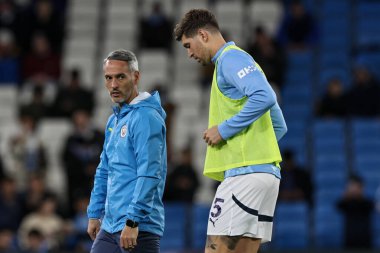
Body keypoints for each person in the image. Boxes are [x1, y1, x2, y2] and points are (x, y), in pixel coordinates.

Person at [174, 9, 287, 253]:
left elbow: (265, 96)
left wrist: (224, 130)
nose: (189, 53)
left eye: (188, 45)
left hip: (244, 176)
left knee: (215, 250)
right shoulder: (245, 61)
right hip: (265, 174)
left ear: (203, 35)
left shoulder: (230, 59)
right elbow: (278, 124)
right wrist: (257, 149)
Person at [86, 50, 167, 253]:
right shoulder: (114, 120)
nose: (113, 85)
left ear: (136, 77)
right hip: (110, 225)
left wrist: (133, 221)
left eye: (120, 77)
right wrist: (95, 213)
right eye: (108, 78)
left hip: (139, 227)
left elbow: (149, 173)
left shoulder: (146, 118)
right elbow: (104, 169)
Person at [337, 175, 374, 249]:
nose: (354, 190)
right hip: (349, 242)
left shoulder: (367, 203)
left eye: (356, 187)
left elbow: (373, 206)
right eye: (351, 187)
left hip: (365, 242)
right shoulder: (346, 203)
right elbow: (339, 205)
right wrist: (346, 196)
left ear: (361, 188)